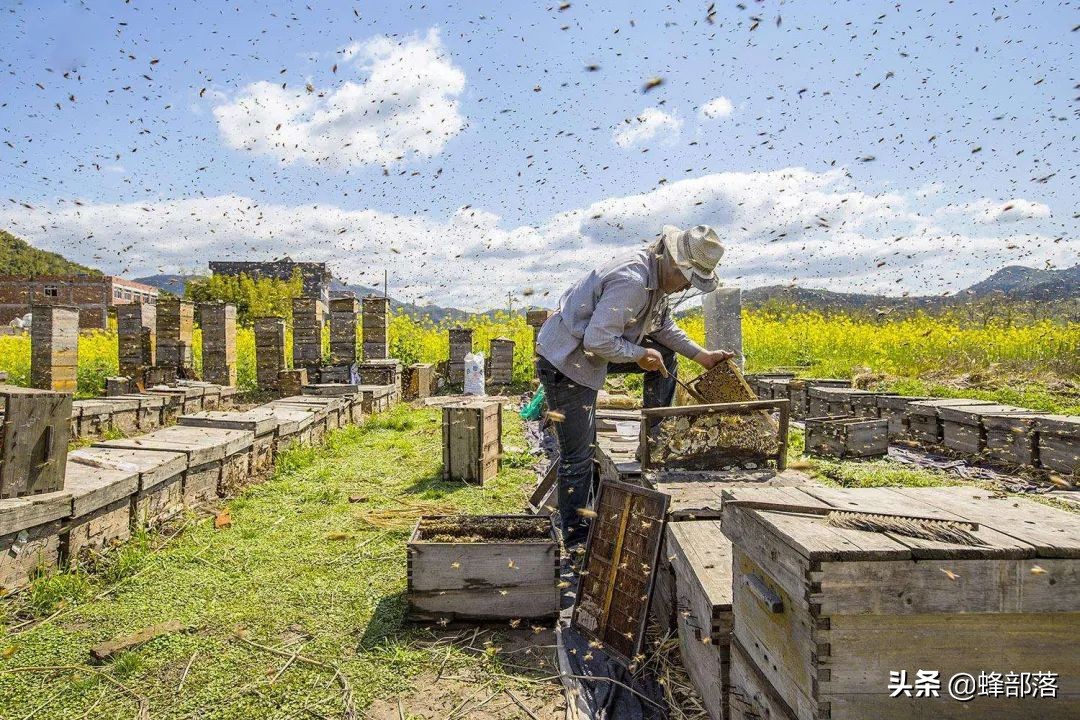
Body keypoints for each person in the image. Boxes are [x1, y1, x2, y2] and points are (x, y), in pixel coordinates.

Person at [535, 224, 733, 546]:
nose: (685, 286)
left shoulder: (657, 283)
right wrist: (639, 355)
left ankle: (653, 439)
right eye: (687, 277)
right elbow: (597, 339)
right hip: (567, 361)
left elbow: (663, 326)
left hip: (592, 352)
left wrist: (703, 357)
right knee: (579, 454)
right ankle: (576, 538)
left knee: (665, 355)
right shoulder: (633, 281)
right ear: (672, 260)